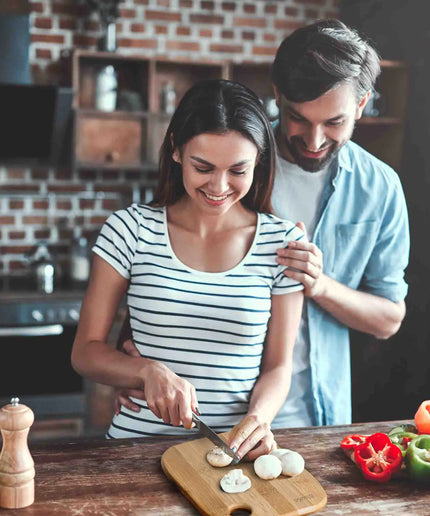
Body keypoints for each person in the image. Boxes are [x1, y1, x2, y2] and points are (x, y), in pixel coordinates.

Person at [115, 19, 410, 429]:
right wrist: (131, 365)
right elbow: (161, 259)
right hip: (202, 417)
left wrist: (318, 284)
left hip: (314, 413)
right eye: (298, 119)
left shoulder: (380, 188)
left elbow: (389, 318)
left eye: (334, 123)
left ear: (360, 106)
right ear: (277, 96)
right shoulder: (229, 158)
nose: (314, 139)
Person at [71, 79, 304, 460]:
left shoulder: (282, 244)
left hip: (231, 452)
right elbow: (85, 352)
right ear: (177, 149)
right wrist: (145, 372)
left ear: (259, 160)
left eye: (237, 170)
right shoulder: (130, 230)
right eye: (203, 167)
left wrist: (259, 419)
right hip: (136, 450)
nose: (219, 186)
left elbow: (278, 367)